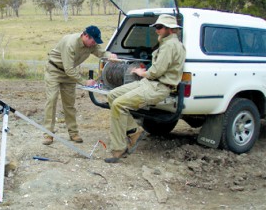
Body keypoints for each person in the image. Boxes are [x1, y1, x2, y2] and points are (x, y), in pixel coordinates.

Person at [105, 14, 186, 163]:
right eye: (156, 27)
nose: (157, 30)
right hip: (150, 83)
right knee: (112, 95)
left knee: (118, 104)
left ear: (171, 29)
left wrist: (141, 72)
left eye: (160, 27)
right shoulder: (166, 43)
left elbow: (156, 71)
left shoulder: (170, 45)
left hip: (158, 86)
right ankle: (135, 132)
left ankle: (118, 149)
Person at [43, 25, 117, 145]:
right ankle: (48, 134)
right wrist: (84, 82)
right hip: (54, 71)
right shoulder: (71, 44)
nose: (94, 43)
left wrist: (110, 56)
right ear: (85, 35)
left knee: (69, 104)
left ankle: (73, 133)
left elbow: (101, 52)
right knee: (51, 101)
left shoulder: (91, 44)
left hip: (69, 74)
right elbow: (69, 69)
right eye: (93, 40)